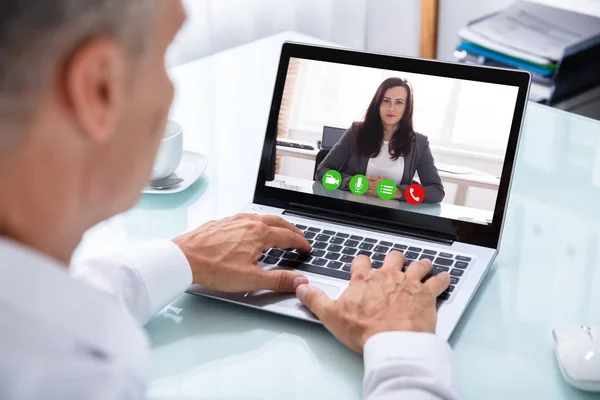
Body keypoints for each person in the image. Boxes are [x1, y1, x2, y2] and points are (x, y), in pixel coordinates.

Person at [0, 1, 459, 399]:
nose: (169, 90)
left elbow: (432, 189)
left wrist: (176, 258)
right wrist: (404, 349)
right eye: (165, 56)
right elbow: (326, 175)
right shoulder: (78, 377)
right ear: (99, 89)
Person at [315, 77, 445, 203]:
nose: (391, 108)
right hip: (351, 208)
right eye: (386, 100)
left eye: (399, 102)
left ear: (407, 108)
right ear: (378, 104)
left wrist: (399, 192)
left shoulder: (419, 143)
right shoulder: (356, 131)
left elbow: (437, 192)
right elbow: (322, 172)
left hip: (392, 215)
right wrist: (353, 183)